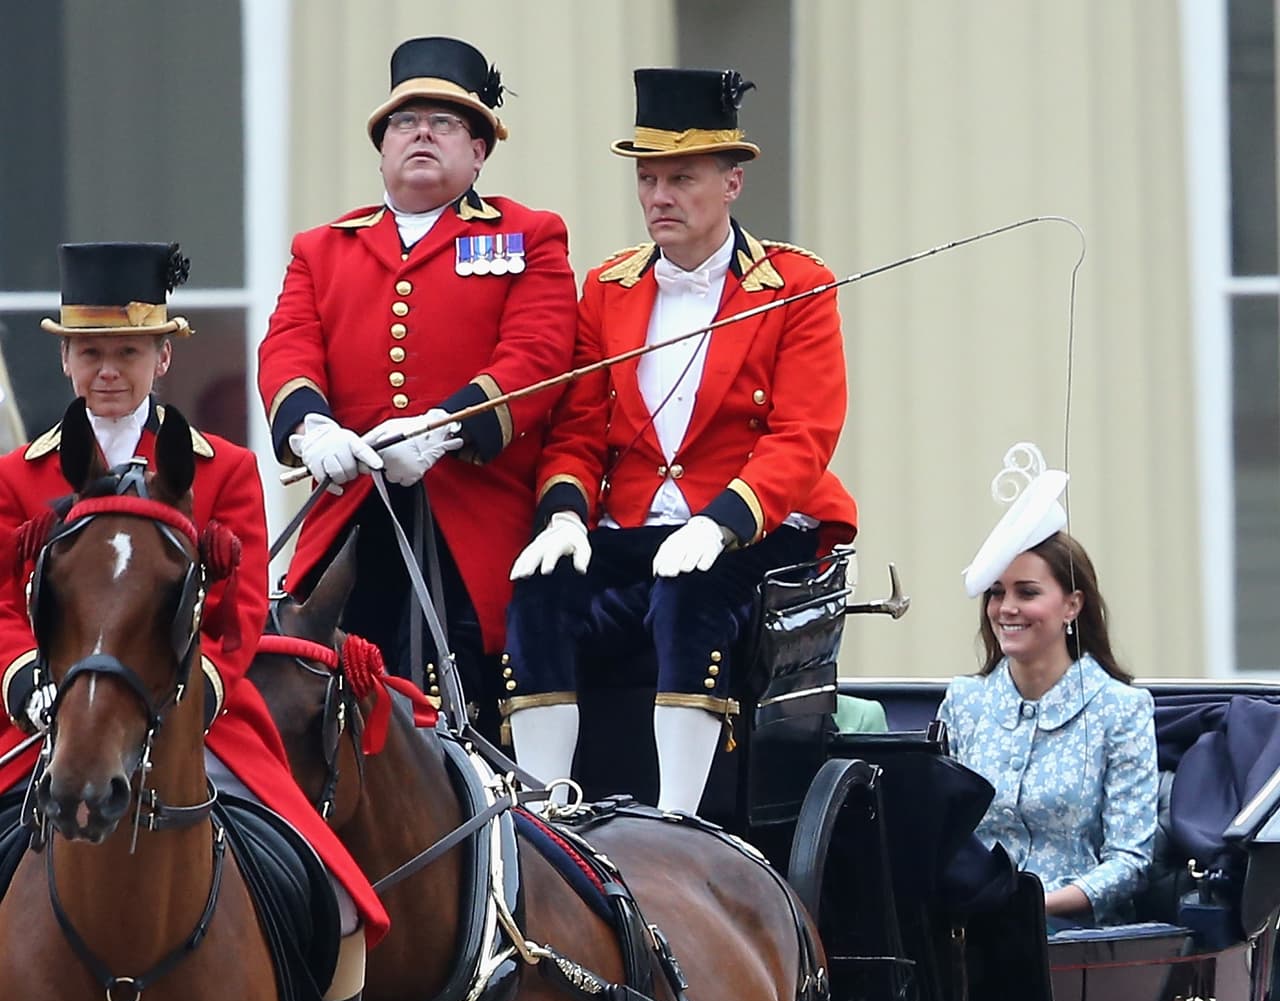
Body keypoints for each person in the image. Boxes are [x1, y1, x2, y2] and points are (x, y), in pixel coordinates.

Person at [0, 241, 389, 1001]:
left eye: (127, 352)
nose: (107, 370)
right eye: (89, 351)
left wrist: (189, 693)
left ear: (163, 356)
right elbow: (3, 608)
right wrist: (27, 682)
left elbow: (242, 612)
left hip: (198, 721)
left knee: (333, 892)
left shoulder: (226, 470)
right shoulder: (21, 475)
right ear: (63, 358)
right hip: (47, 718)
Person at [503, 67, 858, 815]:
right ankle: (544, 809)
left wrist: (721, 521)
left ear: (731, 183)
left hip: (753, 527)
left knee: (689, 591)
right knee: (539, 587)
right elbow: (575, 431)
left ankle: (680, 817)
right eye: (648, 178)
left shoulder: (796, 284)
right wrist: (565, 513)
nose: (658, 197)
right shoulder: (609, 285)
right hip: (635, 525)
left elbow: (805, 434)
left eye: (681, 178)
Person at [257, 34, 578, 721]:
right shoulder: (323, 247)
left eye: (446, 123)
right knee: (311, 696)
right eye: (405, 121)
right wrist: (312, 430)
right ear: (382, 147)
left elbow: (539, 355)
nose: (422, 134)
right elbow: (287, 347)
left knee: (461, 722)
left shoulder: (530, 235)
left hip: (471, 515)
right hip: (349, 513)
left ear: (480, 150)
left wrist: (441, 429)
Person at [937, 444, 1158, 926]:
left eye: (1027, 592)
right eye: (997, 593)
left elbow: (1130, 861)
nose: (1006, 608)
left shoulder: (1121, 709)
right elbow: (942, 837)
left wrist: (1036, 906)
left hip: (1076, 940)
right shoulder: (964, 703)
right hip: (968, 931)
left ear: (1072, 606)